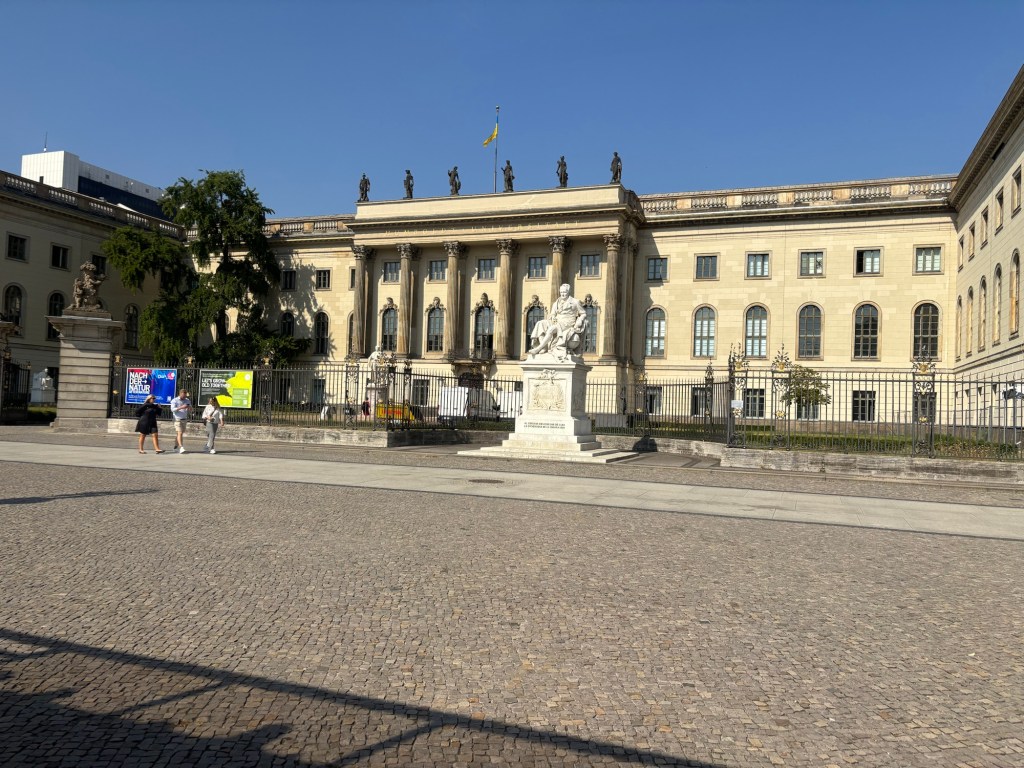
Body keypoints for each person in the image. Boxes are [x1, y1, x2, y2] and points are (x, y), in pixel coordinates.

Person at [529, 283, 588, 360]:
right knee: (540, 324)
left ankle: (538, 348)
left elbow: (583, 313)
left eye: (564, 292)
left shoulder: (575, 302)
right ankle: (544, 347)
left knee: (551, 329)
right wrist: (553, 317)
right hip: (557, 321)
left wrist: (580, 320)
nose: (562, 294)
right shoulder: (556, 303)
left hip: (567, 322)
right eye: (561, 292)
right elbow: (552, 314)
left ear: (568, 292)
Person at [170, 388, 192, 453]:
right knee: (179, 433)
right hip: (177, 419)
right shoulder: (175, 400)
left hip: (184, 419)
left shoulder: (187, 400)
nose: (184, 397)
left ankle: (175, 447)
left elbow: (191, 409)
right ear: (180, 394)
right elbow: (172, 409)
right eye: (183, 396)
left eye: (185, 396)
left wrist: (189, 407)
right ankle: (181, 447)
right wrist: (181, 407)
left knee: (180, 434)